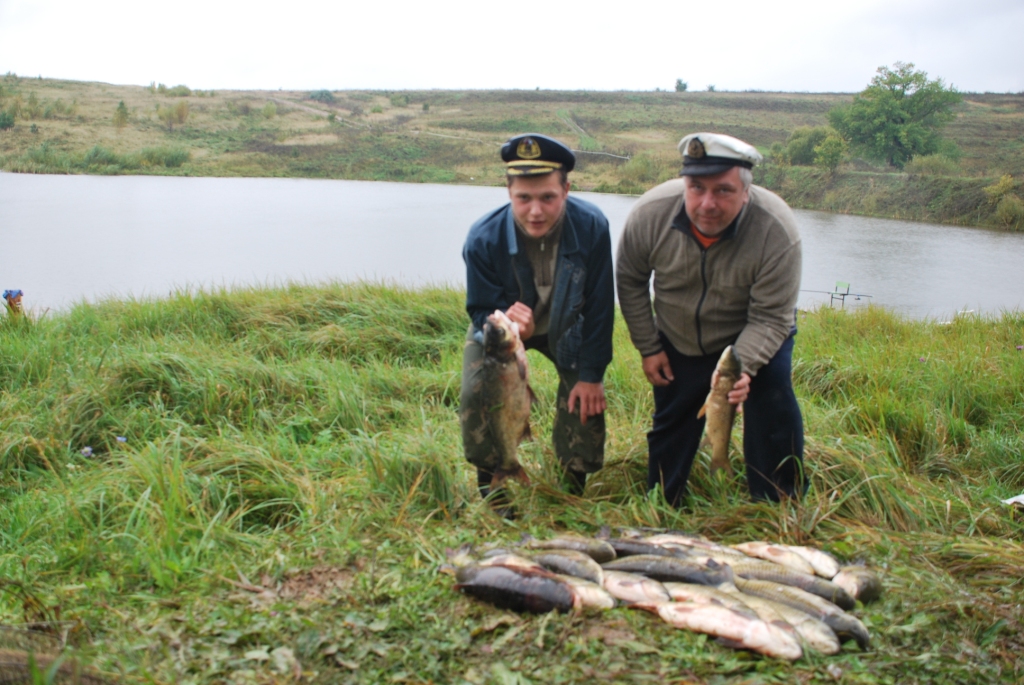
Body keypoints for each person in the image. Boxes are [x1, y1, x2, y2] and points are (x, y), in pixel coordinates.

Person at [616, 132, 804, 506]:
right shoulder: (650, 213)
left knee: (773, 407)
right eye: (696, 188)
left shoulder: (776, 230)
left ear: (746, 191)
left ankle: (780, 504)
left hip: (754, 332)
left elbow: (771, 316)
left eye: (723, 191)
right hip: (678, 331)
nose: (707, 203)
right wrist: (649, 346)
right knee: (673, 418)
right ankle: (662, 505)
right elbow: (630, 279)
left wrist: (740, 369)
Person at [460, 133, 614, 511]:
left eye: (547, 197)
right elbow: (481, 310)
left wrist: (591, 375)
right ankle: (495, 488)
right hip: (505, 337)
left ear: (567, 189)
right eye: (523, 198)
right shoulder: (482, 239)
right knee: (478, 396)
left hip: (570, 327)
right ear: (508, 191)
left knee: (585, 401)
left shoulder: (592, 226)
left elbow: (599, 307)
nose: (535, 211)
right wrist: (506, 326)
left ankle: (570, 488)